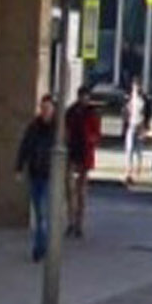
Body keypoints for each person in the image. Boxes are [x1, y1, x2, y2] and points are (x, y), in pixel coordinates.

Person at [16, 95, 58, 262]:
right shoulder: (33, 127)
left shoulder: (57, 129)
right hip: (35, 174)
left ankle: (40, 247)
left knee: (43, 212)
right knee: (39, 213)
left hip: (49, 176)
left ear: (53, 110)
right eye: (43, 108)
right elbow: (25, 146)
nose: (45, 111)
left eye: (48, 108)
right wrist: (19, 167)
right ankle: (42, 245)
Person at [65, 86, 101, 236]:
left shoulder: (91, 113)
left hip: (84, 154)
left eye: (86, 97)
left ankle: (78, 224)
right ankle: (71, 222)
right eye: (82, 97)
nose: (84, 99)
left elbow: (96, 134)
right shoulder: (71, 112)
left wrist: (91, 139)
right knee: (70, 190)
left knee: (81, 192)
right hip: (72, 153)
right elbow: (66, 129)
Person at [125, 79, 148, 184]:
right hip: (131, 125)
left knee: (138, 150)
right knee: (129, 149)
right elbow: (126, 111)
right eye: (134, 86)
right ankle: (128, 172)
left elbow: (146, 113)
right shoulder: (129, 97)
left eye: (138, 86)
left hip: (140, 126)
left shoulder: (143, 99)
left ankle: (138, 171)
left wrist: (145, 127)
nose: (136, 88)